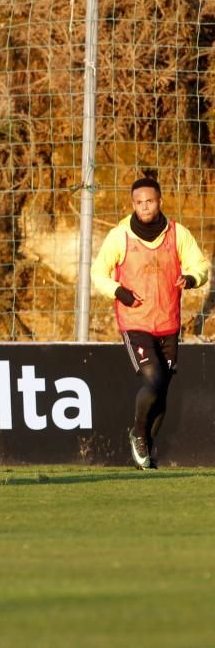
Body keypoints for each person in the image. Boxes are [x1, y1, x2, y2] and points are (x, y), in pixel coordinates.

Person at [91, 176, 209, 470]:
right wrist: (118, 291)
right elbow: (98, 273)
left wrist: (192, 278)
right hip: (135, 323)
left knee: (163, 391)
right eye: (139, 202)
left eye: (150, 201)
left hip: (168, 324)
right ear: (133, 204)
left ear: (159, 201)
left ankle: (146, 456)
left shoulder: (177, 233)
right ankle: (137, 434)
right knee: (153, 379)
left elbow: (201, 265)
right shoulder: (120, 236)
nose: (145, 206)